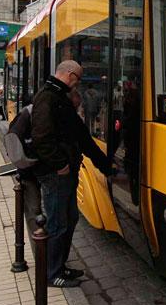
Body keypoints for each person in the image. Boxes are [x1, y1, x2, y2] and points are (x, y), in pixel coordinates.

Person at [31, 60, 111, 288]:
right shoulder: (48, 97)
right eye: (77, 78)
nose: (77, 83)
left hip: (64, 172)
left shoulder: (58, 97)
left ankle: (60, 266)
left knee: (69, 219)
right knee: (57, 223)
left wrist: (104, 165)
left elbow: (81, 136)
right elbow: (41, 138)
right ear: (68, 74)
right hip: (56, 174)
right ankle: (51, 273)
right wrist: (59, 164)